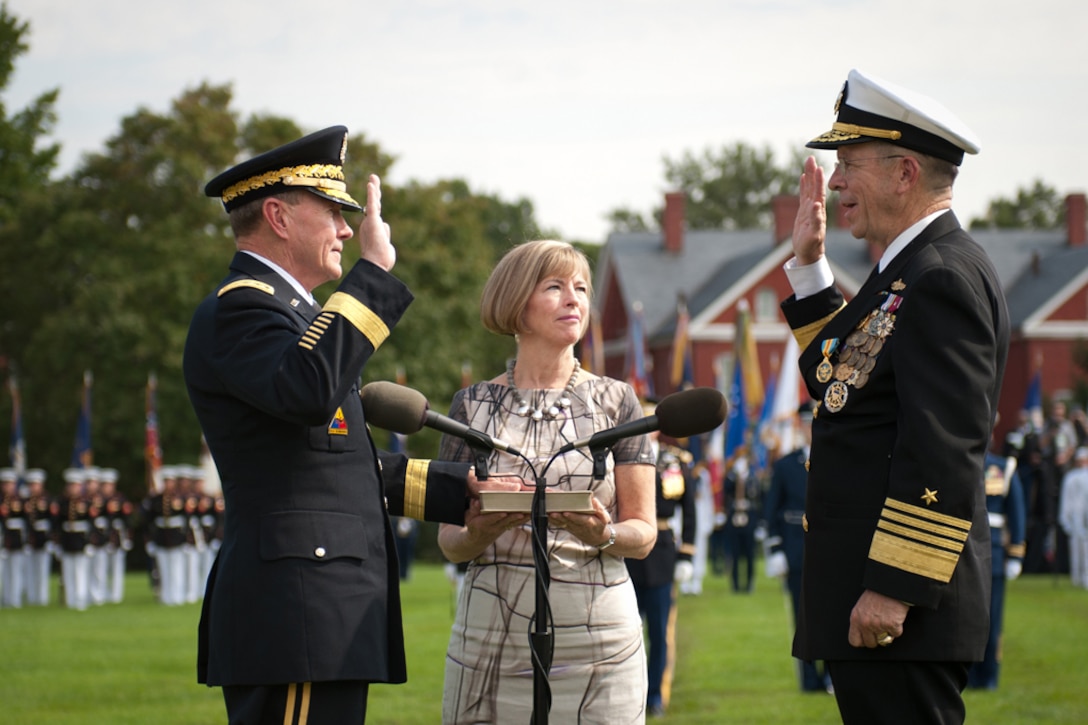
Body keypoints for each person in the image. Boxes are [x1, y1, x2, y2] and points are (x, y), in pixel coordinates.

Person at [184, 125, 515, 724]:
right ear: (280, 217)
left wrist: (456, 490)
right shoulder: (240, 311)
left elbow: (334, 464)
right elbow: (308, 391)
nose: (345, 229)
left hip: (318, 613)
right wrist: (375, 275)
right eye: (335, 211)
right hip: (297, 612)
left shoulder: (297, 319)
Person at [781, 69, 1009, 724]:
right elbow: (846, 389)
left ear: (905, 172)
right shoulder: (911, 269)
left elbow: (943, 449)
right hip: (884, 604)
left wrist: (893, 586)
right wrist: (810, 268)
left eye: (849, 163)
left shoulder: (939, 277)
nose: (838, 181)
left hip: (901, 607)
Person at [437, 239, 657, 723]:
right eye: (555, 287)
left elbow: (643, 533)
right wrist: (480, 530)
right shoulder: (471, 406)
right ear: (516, 303)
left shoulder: (618, 403)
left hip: (599, 640)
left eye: (581, 287)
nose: (574, 298)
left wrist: (605, 533)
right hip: (489, 637)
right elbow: (450, 543)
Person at [626, 419, 697, 718]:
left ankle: (655, 695)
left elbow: (690, 509)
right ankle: (630, 695)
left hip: (663, 553)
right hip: (627, 555)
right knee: (627, 632)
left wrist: (686, 555)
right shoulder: (622, 457)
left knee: (659, 631)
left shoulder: (675, 460)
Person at [764, 401, 830, 693]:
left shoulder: (837, 461)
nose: (811, 430)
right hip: (795, 547)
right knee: (803, 617)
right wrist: (776, 550)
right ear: (800, 427)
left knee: (831, 615)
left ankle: (831, 675)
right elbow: (771, 510)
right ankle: (808, 679)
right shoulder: (785, 465)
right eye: (807, 423)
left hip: (830, 549)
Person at [967, 445, 1026, 690]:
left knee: (991, 621)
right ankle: (967, 676)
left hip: (994, 553)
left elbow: (1017, 514)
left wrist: (1016, 555)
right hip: (962, 552)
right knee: (965, 619)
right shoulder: (959, 460)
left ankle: (989, 675)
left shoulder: (1003, 467)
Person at [722, 453, 759, 593]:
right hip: (734, 516)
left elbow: (757, 496)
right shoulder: (732, 477)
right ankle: (735, 584)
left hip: (749, 516)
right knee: (735, 552)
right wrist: (734, 475)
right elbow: (726, 490)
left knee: (750, 553)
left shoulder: (752, 478)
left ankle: (749, 583)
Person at [24, 468, 57, 606]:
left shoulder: (48, 500)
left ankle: (42, 598)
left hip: (43, 537)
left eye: (36, 484)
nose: (33, 487)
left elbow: (54, 521)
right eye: (31, 484)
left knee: (42, 570)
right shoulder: (25, 500)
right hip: (30, 538)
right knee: (30, 570)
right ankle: (32, 597)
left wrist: (52, 539)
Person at [1058, 447, 1088, 588]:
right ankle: (1077, 577)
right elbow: (1067, 499)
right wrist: (1065, 518)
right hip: (1076, 515)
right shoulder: (1071, 477)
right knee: (1076, 547)